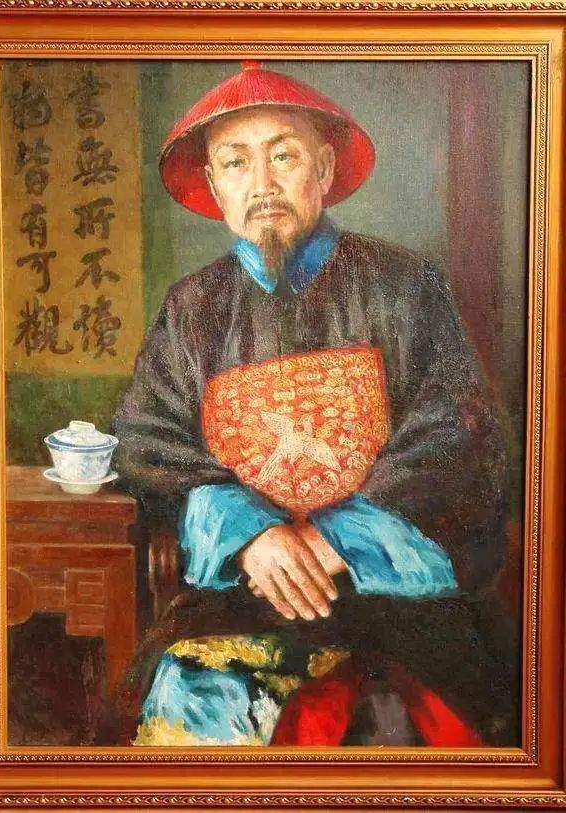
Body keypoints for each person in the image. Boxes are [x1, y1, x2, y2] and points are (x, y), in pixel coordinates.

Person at [109, 61, 518, 747]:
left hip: (393, 601)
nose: (261, 184)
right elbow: (146, 442)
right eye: (236, 163)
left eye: (284, 156)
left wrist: (337, 539)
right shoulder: (191, 308)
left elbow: (459, 434)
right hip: (243, 596)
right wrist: (252, 534)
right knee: (192, 700)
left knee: (399, 725)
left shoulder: (403, 285)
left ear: (324, 169)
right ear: (214, 184)